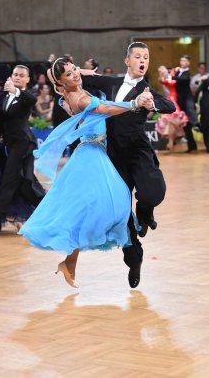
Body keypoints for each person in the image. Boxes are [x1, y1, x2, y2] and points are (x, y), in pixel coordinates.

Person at [19, 57, 149, 289]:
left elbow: (73, 84)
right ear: (61, 82)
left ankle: (69, 265)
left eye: (74, 70)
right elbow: (104, 108)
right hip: (92, 156)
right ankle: (128, 233)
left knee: (82, 211)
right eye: (68, 74)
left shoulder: (66, 97)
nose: (75, 75)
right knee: (114, 200)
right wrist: (133, 104)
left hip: (88, 153)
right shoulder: (81, 98)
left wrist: (82, 72)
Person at [80, 42, 175, 288]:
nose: (143, 60)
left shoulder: (146, 91)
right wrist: (80, 71)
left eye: (146, 57)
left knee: (154, 191)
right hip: (114, 155)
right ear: (127, 61)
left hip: (138, 151)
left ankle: (144, 213)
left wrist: (150, 104)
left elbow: (170, 106)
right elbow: (82, 81)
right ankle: (134, 259)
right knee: (120, 213)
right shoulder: (111, 83)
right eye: (138, 56)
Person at [0, 65, 46, 235]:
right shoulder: (4, 96)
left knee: (8, 182)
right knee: (24, 183)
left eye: (21, 75)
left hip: (23, 145)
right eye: (15, 75)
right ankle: (49, 209)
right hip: (10, 145)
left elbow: (32, 99)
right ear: (10, 76)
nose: (18, 77)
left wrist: (15, 90)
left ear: (28, 79)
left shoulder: (25, 96)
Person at [156, 65, 188, 151]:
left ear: (166, 69)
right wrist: (164, 76)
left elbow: (177, 71)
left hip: (175, 98)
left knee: (173, 121)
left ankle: (171, 142)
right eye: (160, 71)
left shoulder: (173, 72)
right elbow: (164, 81)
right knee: (172, 120)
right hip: (172, 98)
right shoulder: (163, 79)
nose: (162, 71)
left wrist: (177, 69)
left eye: (162, 69)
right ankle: (171, 142)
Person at [171, 55, 199, 153]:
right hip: (180, 101)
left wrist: (172, 76)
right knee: (186, 126)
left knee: (191, 110)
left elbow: (183, 79)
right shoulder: (178, 71)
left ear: (188, 63)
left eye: (184, 61)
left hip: (188, 98)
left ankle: (197, 124)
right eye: (181, 60)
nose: (182, 62)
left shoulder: (187, 73)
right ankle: (192, 147)